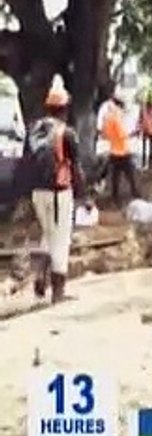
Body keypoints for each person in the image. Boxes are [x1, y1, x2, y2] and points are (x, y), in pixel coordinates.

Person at [19, 82, 85, 303]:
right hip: (59, 193)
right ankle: (58, 293)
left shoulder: (34, 130)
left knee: (48, 234)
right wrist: (84, 196)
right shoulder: (67, 133)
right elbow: (76, 168)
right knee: (61, 240)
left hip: (37, 192)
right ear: (64, 109)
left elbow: (24, 164)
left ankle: (40, 275)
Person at [101, 90, 140, 203]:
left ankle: (115, 196)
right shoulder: (116, 116)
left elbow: (105, 134)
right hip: (122, 150)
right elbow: (121, 133)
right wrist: (132, 133)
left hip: (113, 150)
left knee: (115, 176)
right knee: (130, 174)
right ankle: (135, 193)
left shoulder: (108, 116)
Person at [138, 92, 152, 169]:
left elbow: (140, 118)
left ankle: (144, 163)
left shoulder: (143, 107)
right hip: (151, 128)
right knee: (150, 146)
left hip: (145, 128)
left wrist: (139, 127)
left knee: (145, 147)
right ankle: (150, 163)